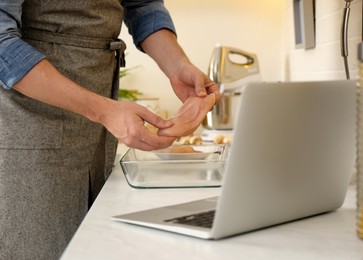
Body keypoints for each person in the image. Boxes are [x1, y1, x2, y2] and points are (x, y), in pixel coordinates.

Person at [0, 1, 220, 259]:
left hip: (97, 124)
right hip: (29, 122)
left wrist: (178, 66)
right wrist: (103, 110)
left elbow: (143, 4)